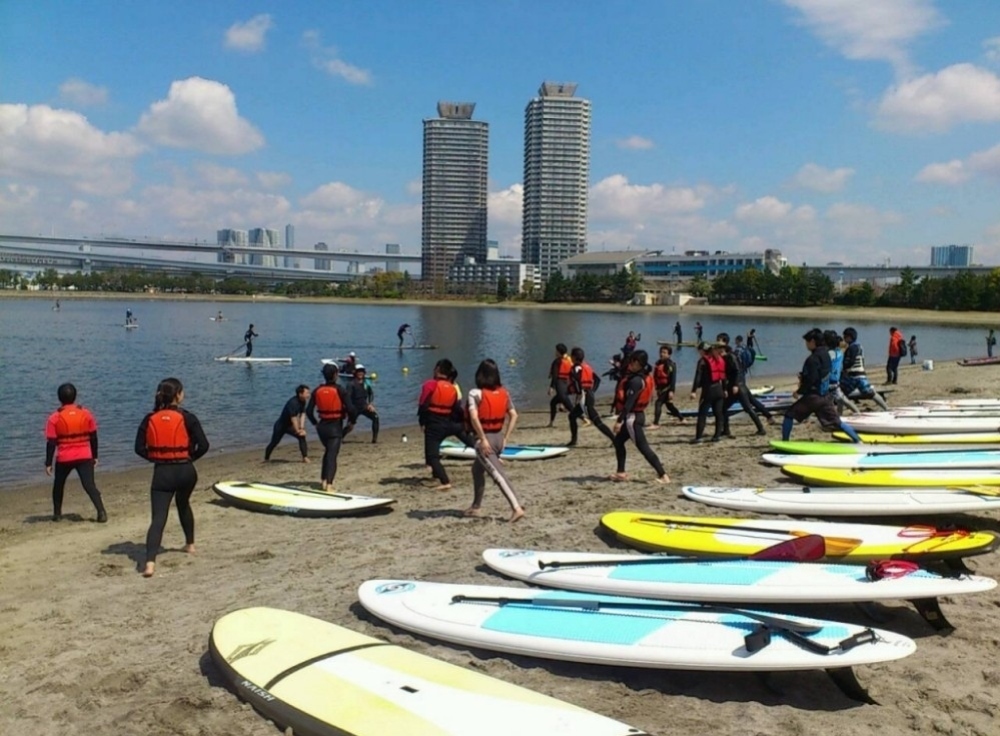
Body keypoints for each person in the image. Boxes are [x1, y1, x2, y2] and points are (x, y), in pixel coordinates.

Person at [134, 377, 209, 578]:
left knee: (159, 517)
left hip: (163, 473)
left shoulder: (149, 418)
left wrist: (156, 458)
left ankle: (150, 564)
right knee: (183, 504)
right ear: (178, 395)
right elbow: (204, 445)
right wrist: (189, 458)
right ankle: (190, 545)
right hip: (186, 471)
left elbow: (138, 448)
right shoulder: (188, 417)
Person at [465, 359, 525, 522]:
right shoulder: (504, 393)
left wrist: (482, 439)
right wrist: (505, 438)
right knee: (477, 470)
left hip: (486, 442)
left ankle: (516, 508)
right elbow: (514, 415)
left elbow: (474, 417)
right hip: (499, 438)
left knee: (498, 476)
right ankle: (476, 506)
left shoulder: (475, 393)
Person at [781, 329, 862, 443]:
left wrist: (799, 391)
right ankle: (857, 440)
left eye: (807, 342)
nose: (806, 345)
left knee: (789, 415)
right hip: (825, 396)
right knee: (837, 422)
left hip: (813, 397)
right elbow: (823, 373)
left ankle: (785, 441)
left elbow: (811, 379)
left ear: (812, 341)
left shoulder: (812, 358)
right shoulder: (826, 355)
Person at [44, 383, 107, 523]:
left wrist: (48, 463)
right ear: (75, 396)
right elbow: (93, 436)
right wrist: (95, 456)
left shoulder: (54, 417)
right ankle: (101, 511)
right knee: (89, 485)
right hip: (84, 456)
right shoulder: (86, 413)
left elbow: (51, 442)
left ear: (59, 398)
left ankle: (57, 514)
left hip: (64, 458)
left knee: (58, 485)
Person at [610, 350, 669, 484]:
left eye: (631, 362)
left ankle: (663, 475)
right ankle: (621, 473)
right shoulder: (642, 376)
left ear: (637, 363)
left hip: (632, 419)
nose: (629, 364)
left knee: (644, 448)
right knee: (618, 442)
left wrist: (619, 421)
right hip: (636, 416)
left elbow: (629, 403)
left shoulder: (636, 381)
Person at [418, 359, 473, 491]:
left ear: (437, 370)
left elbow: (423, 406)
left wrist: (422, 422)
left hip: (434, 425)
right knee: (466, 438)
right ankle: (489, 453)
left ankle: (445, 481)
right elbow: (456, 409)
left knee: (432, 456)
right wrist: (464, 424)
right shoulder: (453, 388)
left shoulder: (430, 385)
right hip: (449, 424)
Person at [306, 364, 356, 492]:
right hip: (335, 428)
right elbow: (351, 409)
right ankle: (329, 484)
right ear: (335, 375)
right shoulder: (340, 390)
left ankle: (323, 481)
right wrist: (352, 422)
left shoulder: (317, 390)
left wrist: (315, 423)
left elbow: (308, 411)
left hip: (322, 427)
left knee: (328, 453)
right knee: (332, 455)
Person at [717, 332, 766, 437]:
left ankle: (761, 429)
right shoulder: (724, 357)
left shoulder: (731, 356)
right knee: (723, 408)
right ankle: (726, 431)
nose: (718, 349)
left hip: (738, 387)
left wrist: (735, 385)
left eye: (719, 342)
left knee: (748, 408)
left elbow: (738, 371)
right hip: (733, 387)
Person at [568, 347, 616, 442]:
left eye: (571, 356)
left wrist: (579, 393)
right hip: (589, 394)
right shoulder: (586, 366)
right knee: (572, 416)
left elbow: (577, 381)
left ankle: (615, 439)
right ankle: (573, 440)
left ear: (574, 357)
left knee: (597, 421)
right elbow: (597, 380)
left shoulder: (575, 368)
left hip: (584, 397)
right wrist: (592, 391)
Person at [841, 327, 889, 411]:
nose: (844, 339)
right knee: (869, 393)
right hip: (861, 374)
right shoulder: (859, 346)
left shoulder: (852, 347)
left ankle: (843, 412)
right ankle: (886, 408)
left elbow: (850, 362)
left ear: (849, 337)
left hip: (854, 376)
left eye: (845, 336)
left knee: (841, 394)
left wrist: (843, 368)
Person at [689, 341, 726, 443]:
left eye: (699, 351)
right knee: (718, 413)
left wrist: (693, 391)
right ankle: (717, 436)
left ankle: (698, 438)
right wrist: (725, 389)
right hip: (719, 389)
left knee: (702, 414)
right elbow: (723, 377)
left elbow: (698, 376)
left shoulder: (702, 361)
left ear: (702, 350)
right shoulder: (718, 359)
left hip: (708, 391)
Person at [264, 385, 311, 462]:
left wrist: (302, 428)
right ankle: (266, 458)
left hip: (290, 425)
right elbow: (293, 418)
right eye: (307, 393)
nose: (309, 395)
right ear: (300, 394)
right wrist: (297, 430)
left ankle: (305, 457)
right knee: (274, 442)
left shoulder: (303, 401)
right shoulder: (293, 403)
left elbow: (302, 414)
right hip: (281, 426)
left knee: (302, 437)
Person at [547, 343, 579, 445]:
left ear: (558, 352)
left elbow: (555, 376)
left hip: (560, 384)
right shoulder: (568, 360)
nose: (554, 352)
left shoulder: (557, 361)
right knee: (553, 403)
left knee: (565, 401)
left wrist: (551, 387)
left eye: (556, 350)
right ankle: (551, 422)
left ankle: (581, 417)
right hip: (566, 383)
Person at [825, 330, 861, 415]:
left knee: (839, 399)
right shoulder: (839, 352)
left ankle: (856, 412)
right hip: (836, 379)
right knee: (839, 399)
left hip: (830, 381)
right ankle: (841, 414)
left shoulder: (829, 354)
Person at [650, 344, 683, 427]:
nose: (662, 354)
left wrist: (671, 391)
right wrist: (656, 388)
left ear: (669, 355)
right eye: (661, 352)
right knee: (669, 406)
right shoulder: (658, 363)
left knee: (658, 403)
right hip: (660, 388)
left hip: (667, 388)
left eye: (664, 352)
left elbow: (673, 379)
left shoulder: (671, 365)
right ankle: (682, 418)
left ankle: (656, 423)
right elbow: (655, 376)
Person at [345, 364, 379, 443]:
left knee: (376, 418)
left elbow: (371, 394)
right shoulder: (351, 384)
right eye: (358, 371)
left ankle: (374, 439)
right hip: (354, 408)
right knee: (350, 426)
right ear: (355, 373)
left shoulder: (366, 383)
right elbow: (347, 398)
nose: (360, 373)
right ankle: (340, 438)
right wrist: (348, 409)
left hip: (364, 407)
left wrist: (370, 404)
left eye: (362, 371)